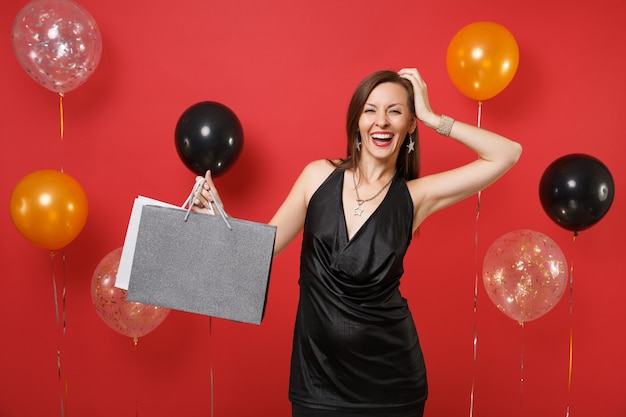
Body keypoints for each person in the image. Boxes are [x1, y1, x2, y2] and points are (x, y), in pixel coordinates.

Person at [192, 68, 522, 417]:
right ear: (357, 121)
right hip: (317, 381)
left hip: (392, 384)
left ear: (409, 125)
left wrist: (432, 117)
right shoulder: (318, 176)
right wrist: (220, 219)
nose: (381, 121)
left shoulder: (416, 196)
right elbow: (262, 251)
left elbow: (507, 153)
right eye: (370, 110)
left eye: (395, 111)